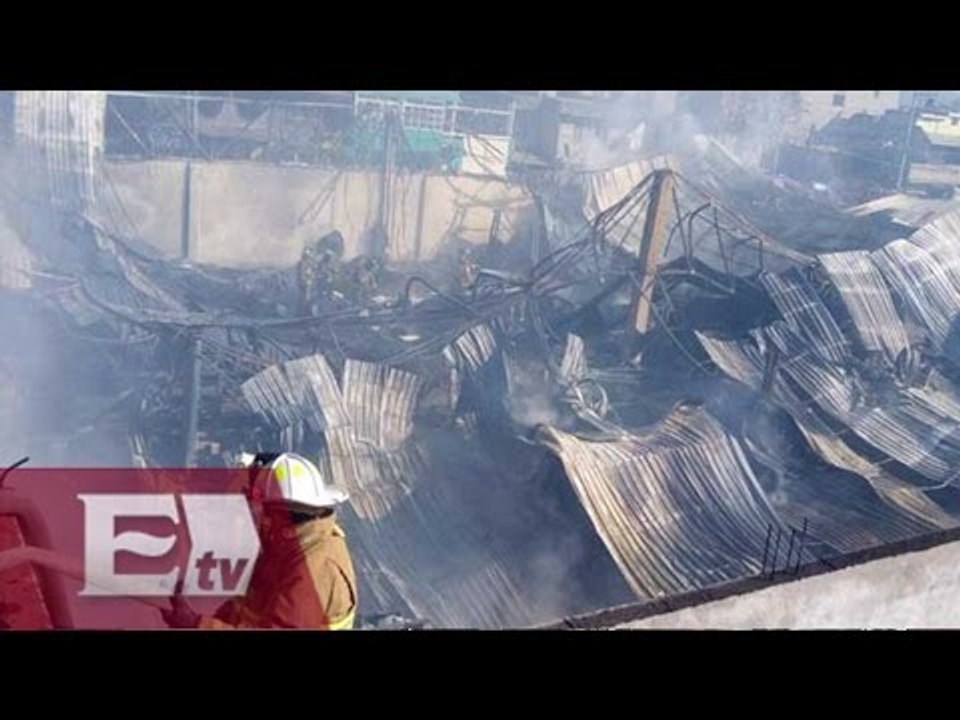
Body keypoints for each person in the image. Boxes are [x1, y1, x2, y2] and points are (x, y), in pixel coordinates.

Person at [161, 452, 358, 630]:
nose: (255, 515)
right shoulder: (285, 548)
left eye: (261, 508)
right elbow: (244, 609)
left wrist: (198, 624)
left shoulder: (313, 568)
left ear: (279, 515)